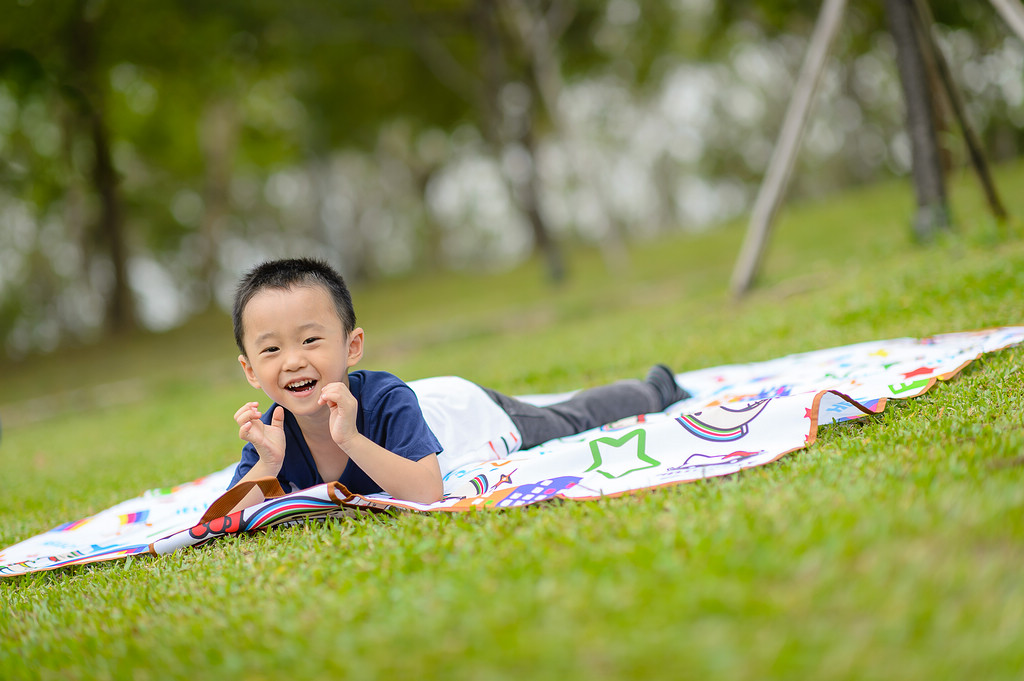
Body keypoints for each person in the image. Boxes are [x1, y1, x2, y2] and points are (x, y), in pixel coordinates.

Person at [227, 257, 690, 510]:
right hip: (434, 408)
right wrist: (267, 465)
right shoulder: (274, 433)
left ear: (352, 347)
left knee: (568, 418)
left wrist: (347, 437)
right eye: (271, 350)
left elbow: (427, 493)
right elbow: (217, 519)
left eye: (311, 339)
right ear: (250, 371)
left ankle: (657, 387)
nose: (293, 361)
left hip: (467, 413)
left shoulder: (387, 400)